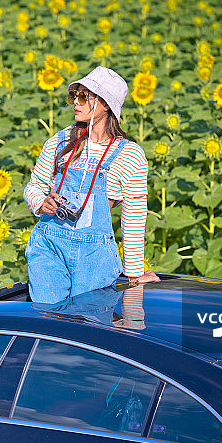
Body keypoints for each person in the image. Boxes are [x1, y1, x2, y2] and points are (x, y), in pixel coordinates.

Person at [23, 66, 159, 304]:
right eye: (74, 96)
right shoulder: (59, 141)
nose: (76, 102)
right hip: (49, 245)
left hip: (95, 256)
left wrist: (135, 275)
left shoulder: (130, 155)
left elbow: (134, 217)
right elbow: (33, 186)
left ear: (105, 104)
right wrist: (40, 202)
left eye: (84, 97)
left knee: (88, 325)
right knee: (48, 320)